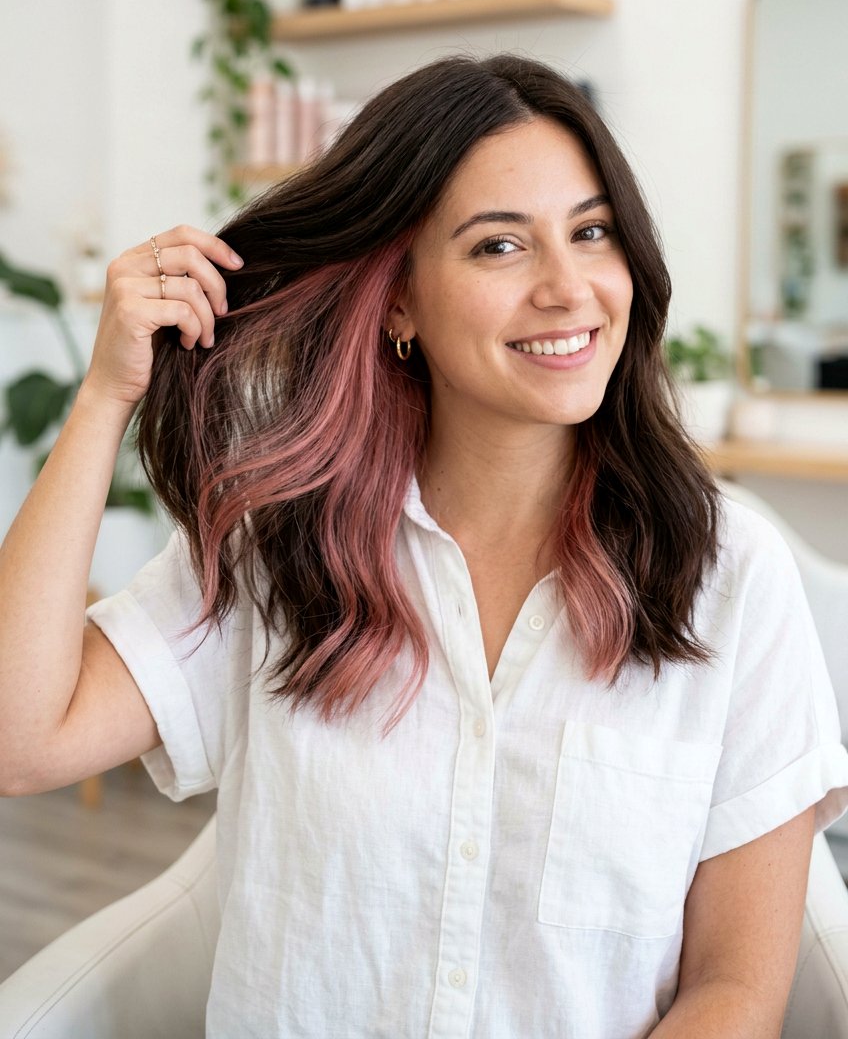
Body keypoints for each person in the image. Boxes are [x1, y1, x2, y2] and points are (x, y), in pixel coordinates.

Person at [1, 52, 847, 1038]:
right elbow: (23, 740)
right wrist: (104, 398)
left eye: (591, 232)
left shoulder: (728, 575)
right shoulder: (281, 548)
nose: (567, 288)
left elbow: (732, 991)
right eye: (498, 247)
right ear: (398, 301)